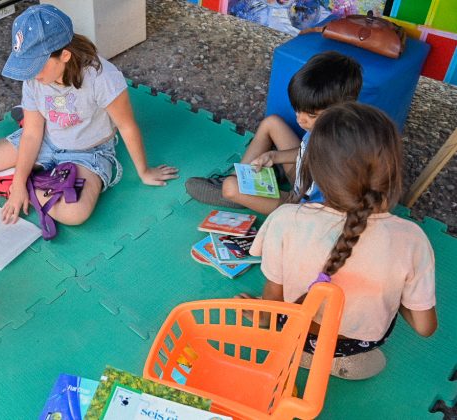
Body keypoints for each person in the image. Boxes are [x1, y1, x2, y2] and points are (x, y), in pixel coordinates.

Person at [245, 103, 437, 380]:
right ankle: (332, 363)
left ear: (313, 169)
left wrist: (264, 318)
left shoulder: (285, 218)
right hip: (352, 346)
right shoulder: (412, 240)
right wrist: (396, 286)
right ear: (394, 170)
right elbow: (424, 327)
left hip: (294, 328)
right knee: (375, 364)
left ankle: (300, 354)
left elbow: (274, 296)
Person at [0, 4, 178, 226]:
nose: (30, 73)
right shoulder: (34, 77)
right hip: (47, 138)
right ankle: (28, 173)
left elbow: (126, 126)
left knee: (74, 214)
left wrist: (144, 171)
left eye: (36, 64)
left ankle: (30, 179)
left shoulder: (102, 77)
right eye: (25, 64)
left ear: (65, 55)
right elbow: (32, 134)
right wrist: (16, 186)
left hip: (88, 152)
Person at [186, 51, 362, 215]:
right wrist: (273, 156)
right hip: (302, 176)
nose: (300, 120)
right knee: (272, 123)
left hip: (301, 206)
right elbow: (306, 152)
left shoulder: (341, 154)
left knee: (230, 188)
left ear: (341, 110)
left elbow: (334, 206)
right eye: (298, 110)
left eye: (311, 115)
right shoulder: (326, 126)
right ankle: (241, 177)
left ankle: (244, 193)